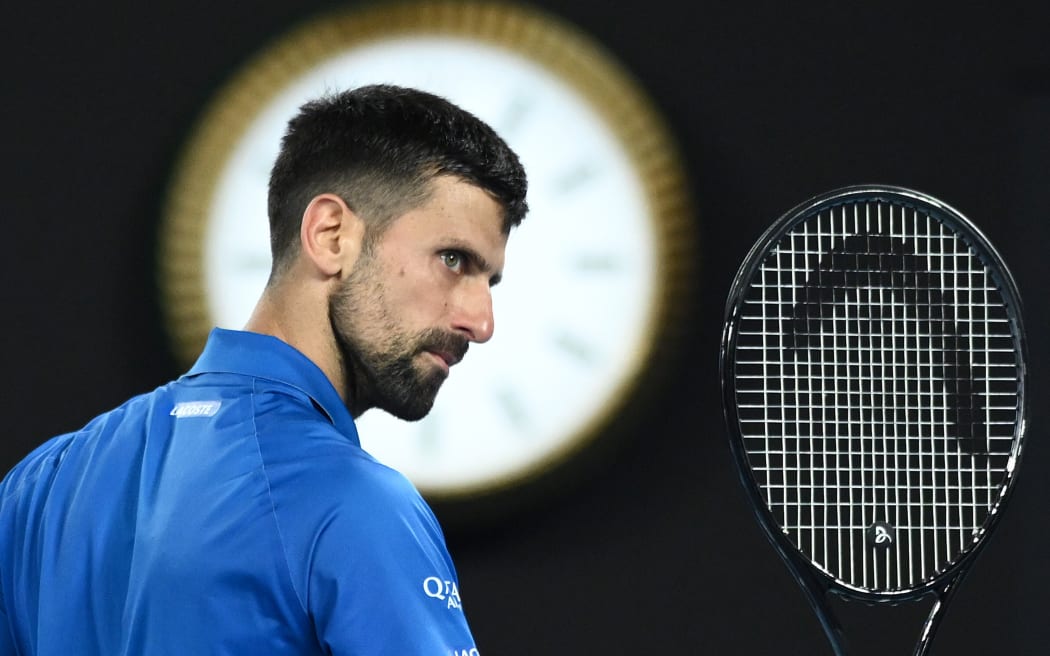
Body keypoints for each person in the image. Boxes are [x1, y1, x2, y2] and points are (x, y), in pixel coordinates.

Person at [0, 84, 528, 655]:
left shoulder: (39, 484)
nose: (481, 321)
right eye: (454, 260)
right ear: (331, 236)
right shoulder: (356, 506)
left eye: (489, 281)